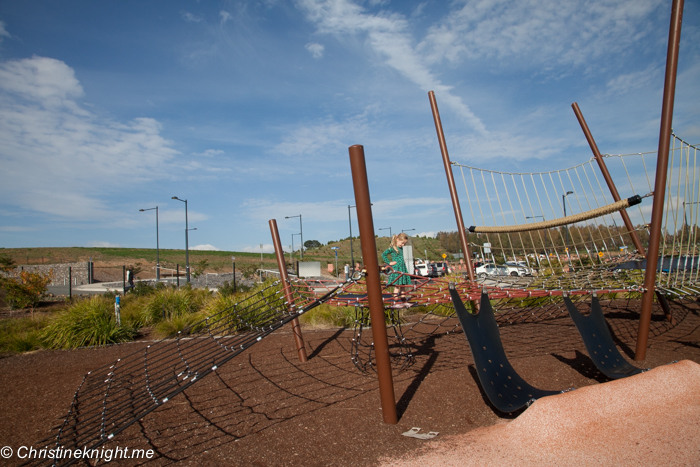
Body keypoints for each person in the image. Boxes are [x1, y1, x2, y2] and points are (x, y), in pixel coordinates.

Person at [381, 233, 411, 297]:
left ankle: (403, 299)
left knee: (403, 285)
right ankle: (395, 299)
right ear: (397, 239)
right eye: (402, 243)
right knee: (397, 286)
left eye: (404, 244)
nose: (403, 245)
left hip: (402, 268)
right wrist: (389, 262)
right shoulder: (393, 248)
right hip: (397, 268)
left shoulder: (401, 248)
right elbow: (383, 254)